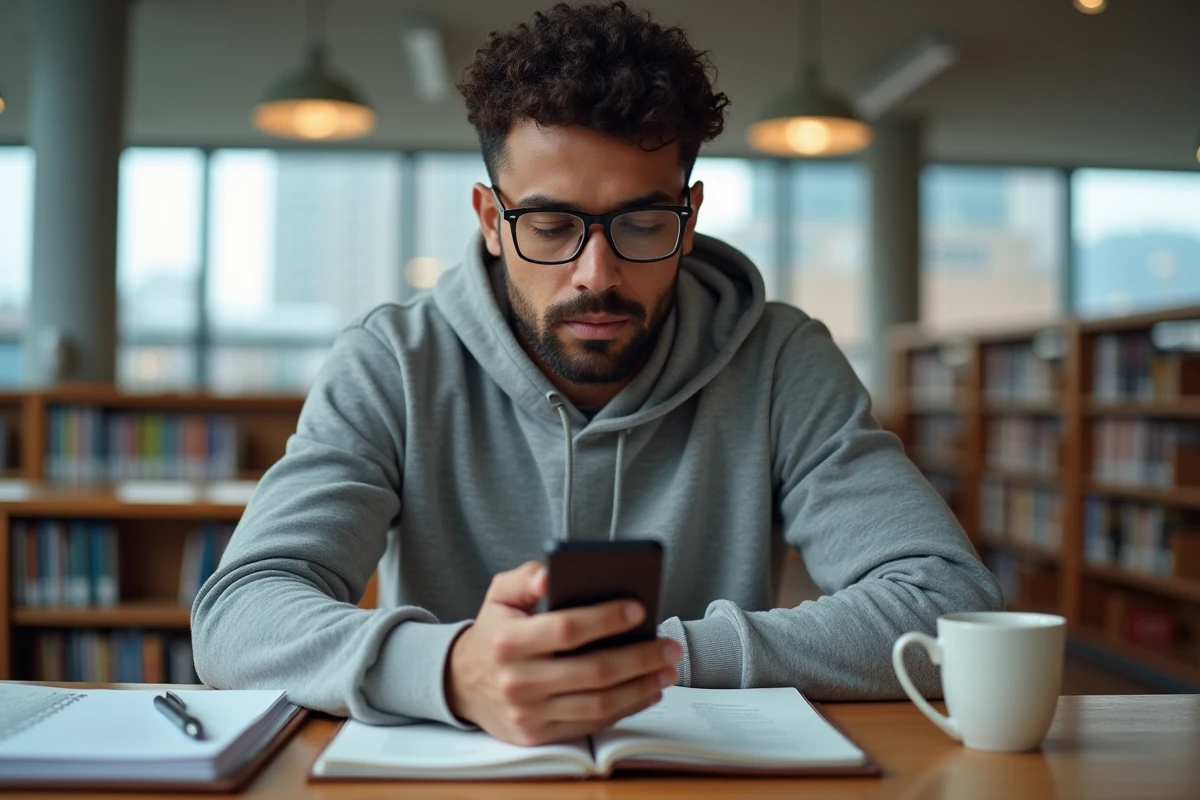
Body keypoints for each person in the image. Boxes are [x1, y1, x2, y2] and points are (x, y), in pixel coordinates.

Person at [192, 1, 1002, 747]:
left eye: (642, 222)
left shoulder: (782, 358)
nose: (596, 274)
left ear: (688, 221)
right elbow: (238, 616)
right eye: (550, 225)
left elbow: (951, 604)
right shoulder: (391, 363)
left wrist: (659, 657)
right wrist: (449, 669)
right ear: (490, 220)